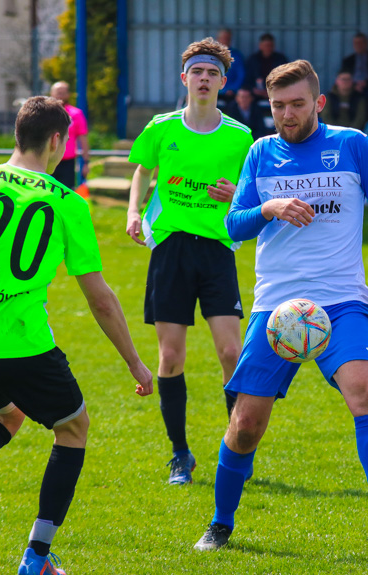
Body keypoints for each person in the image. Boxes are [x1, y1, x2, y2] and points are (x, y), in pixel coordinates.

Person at [0, 96, 153, 575]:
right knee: (73, 428)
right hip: (24, 344)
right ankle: (37, 556)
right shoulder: (68, 203)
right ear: (58, 141)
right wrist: (134, 362)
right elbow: (100, 298)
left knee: (5, 415)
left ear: (16, 134)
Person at [193, 58, 368, 553]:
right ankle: (220, 523)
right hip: (276, 310)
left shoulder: (352, 144)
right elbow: (233, 226)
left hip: (343, 302)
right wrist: (269, 207)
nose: (287, 114)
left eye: (297, 104)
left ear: (318, 102)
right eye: (278, 106)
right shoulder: (261, 153)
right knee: (245, 426)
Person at [125, 38, 254, 485]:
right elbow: (143, 170)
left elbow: (252, 195)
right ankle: (181, 455)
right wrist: (134, 211)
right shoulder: (161, 127)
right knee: (171, 357)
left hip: (217, 251)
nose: (203, 79)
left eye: (212, 73)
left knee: (231, 353)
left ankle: (236, 449)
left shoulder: (241, 137)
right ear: (185, 78)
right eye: (197, 71)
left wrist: (235, 195)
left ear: (223, 81)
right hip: (172, 251)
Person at [49, 81, 89, 190]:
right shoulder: (45, 114)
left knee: (66, 193)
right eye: (58, 92)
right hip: (48, 160)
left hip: (67, 162)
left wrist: (86, 162)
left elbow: (83, 138)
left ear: (68, 94)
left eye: (63, 92)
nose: (60, 95)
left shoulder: (76, 114)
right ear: (51, 93)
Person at [245, 33, 288, 100]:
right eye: (266, 45)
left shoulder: (280, 59)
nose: (268, 48)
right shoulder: (253, 60)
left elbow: (285, 78)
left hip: (276, 92)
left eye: (270, 45)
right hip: (255, 93)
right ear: (260, 46)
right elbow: (247, 78)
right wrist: (253, 89)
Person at [217, 28, 244, 105]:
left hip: (232, 93)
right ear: (218, 39)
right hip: (215, 91)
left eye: (228, 39)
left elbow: (241, 75)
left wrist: (232, 89)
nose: (226, 41)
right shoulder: (212, 55)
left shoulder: (237, 55)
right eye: (224, 38)